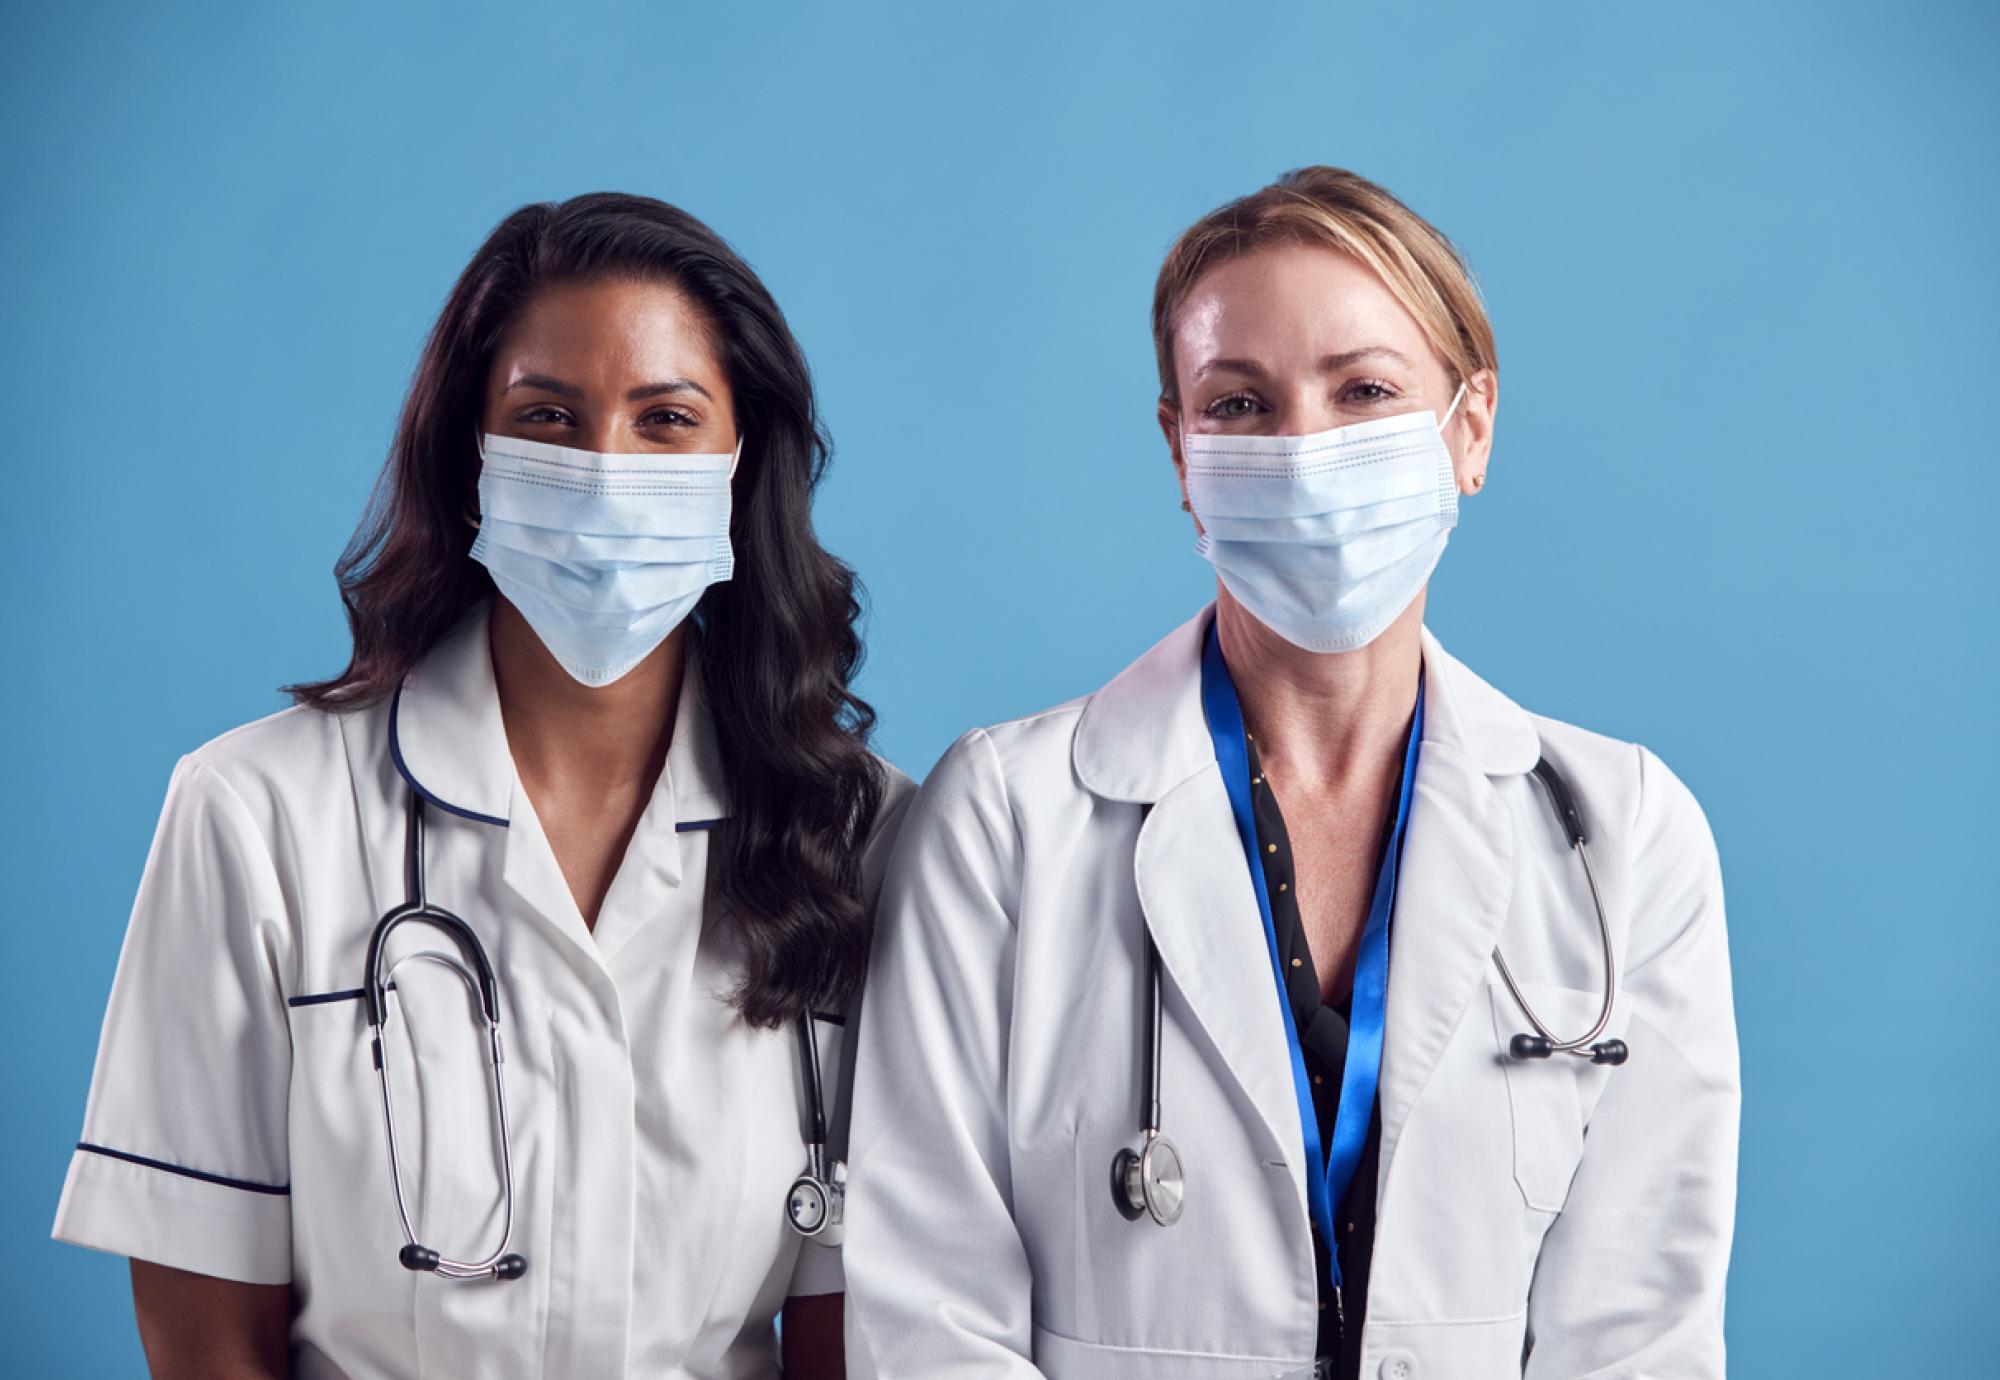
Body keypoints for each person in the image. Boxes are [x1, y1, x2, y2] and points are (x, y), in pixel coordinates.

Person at [842, 166, 1739, 1379]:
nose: (1306, 456)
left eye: (1364, 390)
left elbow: (1637, 1334)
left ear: (1466, 431)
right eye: (1240, 404)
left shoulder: (1624, 836)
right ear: (1178, 451)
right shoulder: (1002, 818)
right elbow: (929, 1317)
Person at [53, 192, 910, 1379]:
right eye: (547, 418)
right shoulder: (254, 816)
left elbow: (846, 1327)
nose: (604, 475)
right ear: (471, 458)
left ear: (739, 466)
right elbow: (206, 1339)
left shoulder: (860, 835)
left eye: (664, 419)